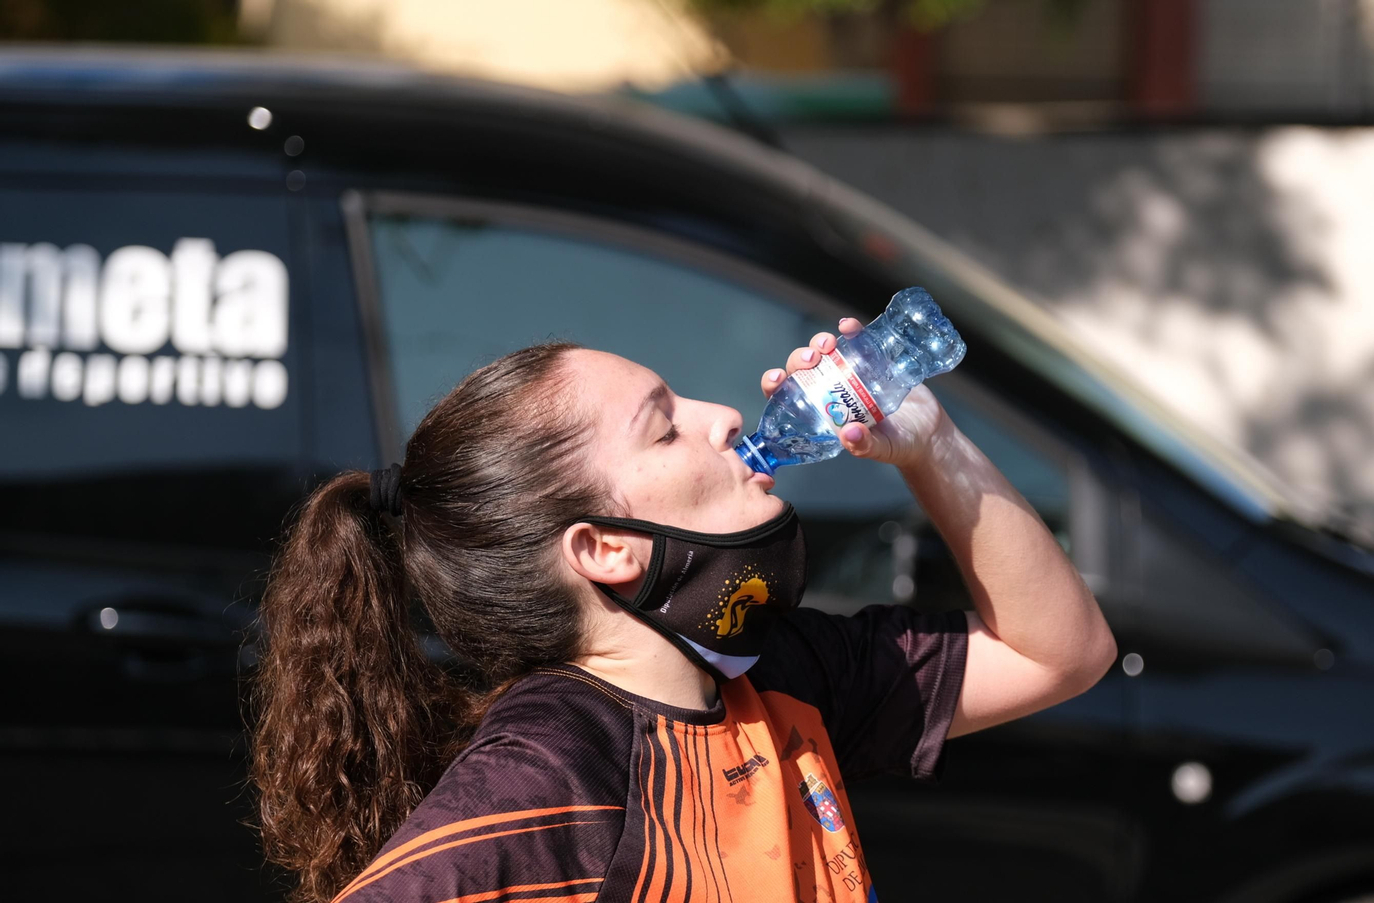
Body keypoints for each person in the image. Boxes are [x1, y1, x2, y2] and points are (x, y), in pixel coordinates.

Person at [251, 319, 1117, 903]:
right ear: (605, 548)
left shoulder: (776, 678)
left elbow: (1060, 653)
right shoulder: (551, 775)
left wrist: (933, 444)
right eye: (664, 428)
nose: (725, 417)